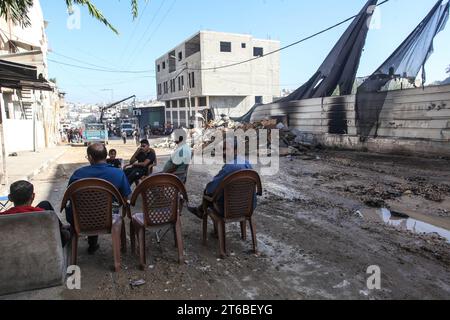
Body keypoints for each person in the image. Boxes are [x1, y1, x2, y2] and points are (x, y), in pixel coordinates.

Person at [66, 143, 132, 254]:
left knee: (87, 206)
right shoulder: (118, 173)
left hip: (81, 218)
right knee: (100, 206)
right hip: (107, 217)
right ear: (106, 156)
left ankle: (91, 244)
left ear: (90, 157)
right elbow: (125, 197)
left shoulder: (78, 174)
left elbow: (69, 196)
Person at [188, 138, 255, 219]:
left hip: (230, 209)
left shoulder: (229, 167)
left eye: (227, 149)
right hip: (249, 207)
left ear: (235, 151)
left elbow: (211, 189)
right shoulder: (247, 163)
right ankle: (200, 210)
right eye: (223, 149)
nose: (224, 152)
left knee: (208, 193)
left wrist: (208, 190)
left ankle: (201, 212)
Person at [1, 180, 71, 247]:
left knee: (45, 204)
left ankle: (62, 227)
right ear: (33, 196)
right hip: (42, 247)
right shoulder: (43, 214)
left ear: (10, 198)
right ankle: (62, 228)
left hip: (15, 248)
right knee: (67, 233)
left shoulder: (3, 217)